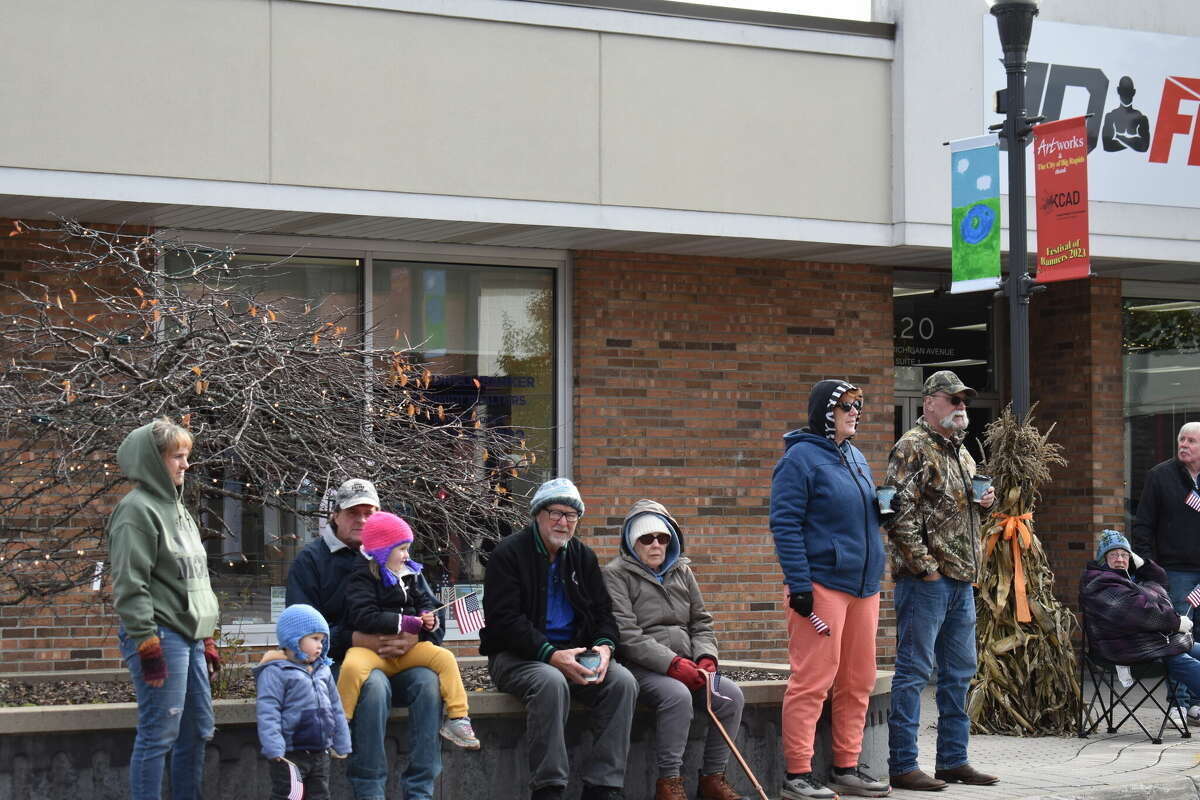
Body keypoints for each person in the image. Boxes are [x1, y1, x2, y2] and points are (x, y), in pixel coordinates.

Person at [479, 477, 638, 800]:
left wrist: (605, 648)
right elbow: (504, 621)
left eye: (571, 515)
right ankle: (549, 788)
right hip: (517, 656)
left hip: (573, 652)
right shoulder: (508, 554)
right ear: (538, 513)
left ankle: (602, 787)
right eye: (556, 512)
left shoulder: (583, 557)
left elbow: (605, 614)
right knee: (550, 682)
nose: (563, 522)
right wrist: (552, 655)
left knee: (623, 683)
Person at [286, 478, 444, 800]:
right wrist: (356, 639)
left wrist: (416, 636)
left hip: (401, 659)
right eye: (352, 512)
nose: (361, 520)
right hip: (341, 664)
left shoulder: (398, 553)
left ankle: (420, 791)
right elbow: (298, 633)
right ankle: (369, 792)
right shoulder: (311, 561)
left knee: (429, 683)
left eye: (368, 512)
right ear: (335, 515)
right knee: (372, 687)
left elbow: (432, 613)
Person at [769, 380, 890, 799]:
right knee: (813, 679)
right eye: (847, 407)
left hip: (864, 587)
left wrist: (882, 511)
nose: (856, 412)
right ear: (825, 412)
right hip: (821, 586)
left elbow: (855, 514)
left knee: (859, 679)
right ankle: (798, 774)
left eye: (859, 406)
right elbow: (784, 524)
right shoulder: (799, 460)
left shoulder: (855, 456)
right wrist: (799, 586)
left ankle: (846, 766)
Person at [884, 370, 997, 791]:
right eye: (953, 400)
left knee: (959, 673)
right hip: (926, 582)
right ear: (929, 402)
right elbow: (895, 513)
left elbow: (960, 515)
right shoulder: (912, 447)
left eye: (964, 401)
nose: (961, 407)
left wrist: (985, 503)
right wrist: (926, 567)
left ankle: (953, 759)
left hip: (961, 581)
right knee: (914, 672)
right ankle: (903, 764)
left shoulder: (962, 454)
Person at [602, 500, 747, 800]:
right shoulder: (615, 574)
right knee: (677, 696)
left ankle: (712, 778)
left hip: (692, 667)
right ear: (632, 541)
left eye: (662, 538)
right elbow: (627, 634)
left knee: (730, 694)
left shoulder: (683, 571)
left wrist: (706, 658)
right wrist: (673, 664)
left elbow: (702, 622)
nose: (656, 545)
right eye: (646, 538)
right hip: (644, 668)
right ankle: (669, 784)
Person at [108, 417, 221, 800]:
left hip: (190, 636)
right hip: (159, 634)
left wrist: (205, 637)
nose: (185, 465)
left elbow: (194, 581)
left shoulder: (180, 510)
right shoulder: (136, 512)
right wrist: (146, 643)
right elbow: (129, 584)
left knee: (197, 730)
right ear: (154, 461)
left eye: (186, 456)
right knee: (159, 733)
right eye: (177, 456)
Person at [337, 511, 479, 749]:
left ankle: (458, 718)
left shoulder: (409, 573)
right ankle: (340, 724)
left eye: (407, 548)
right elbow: (363, 616)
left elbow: (424, 600)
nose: (407, 555)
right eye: (401, 549)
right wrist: (404, 622)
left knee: (444, 658)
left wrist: (427, 617)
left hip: (407, 653)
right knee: (351, 667)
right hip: (372, 651)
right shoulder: (361, 576)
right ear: (382, 551)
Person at [1079, 530, 1200, 700]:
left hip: (1145, 642)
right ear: (1103, 559)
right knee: (1179, 659)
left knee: (1194, 650)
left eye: (1124, 555)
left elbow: (1162, 580)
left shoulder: (1127, 577)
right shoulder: (1100, 583)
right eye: (1113, 555)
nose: (1120, 559)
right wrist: (1176, 623)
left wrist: (1143, 564)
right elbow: (1141, 612)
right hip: (1121, 650)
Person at [1131, 422, 1200, 719]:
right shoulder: (1160, 476)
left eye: (1191, 441)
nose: (1184, 445)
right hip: (1176, 571)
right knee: (1179, 637)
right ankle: (1179, 704)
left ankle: (1197, 702)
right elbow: (1143, 525)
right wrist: (1150, 567)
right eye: (1181, 440)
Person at [255, 604, 352, 800]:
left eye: (323, 640)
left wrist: (342, 741)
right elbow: (268, 711)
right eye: (314, 638)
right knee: (290, 795)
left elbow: (335, 707)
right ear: (294, 639)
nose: (320, 645)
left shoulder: (323, 670)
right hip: (290, 754)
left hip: (320, 751)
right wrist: (273, 746)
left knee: (320, 794)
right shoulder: (276, 672)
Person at [1101, 76, 1151, 153]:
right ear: (1118, 91)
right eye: (1123, 91)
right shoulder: (1110, 117)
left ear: (1133, 92)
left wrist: (1119, 137)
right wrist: (1134, 142)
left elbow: (1144, 147)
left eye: (1128, 92)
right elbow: (1107, 146)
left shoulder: (1142, 119)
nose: (1126, 95)